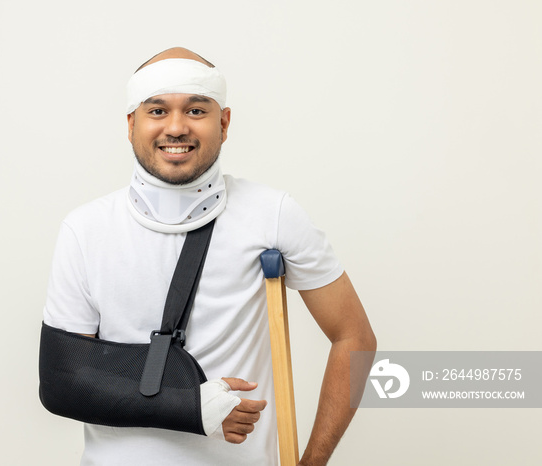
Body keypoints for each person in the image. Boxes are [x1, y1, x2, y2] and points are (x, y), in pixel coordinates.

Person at [43, 47, 377, 466]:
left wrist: (313, 462)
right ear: (131, 124)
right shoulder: (85, 229)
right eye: (158, 110)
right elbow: (63, 383)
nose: (177, 127)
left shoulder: (271, 214)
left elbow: (355, 338)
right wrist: (189, 408)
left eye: (197, 110)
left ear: (224, 122)